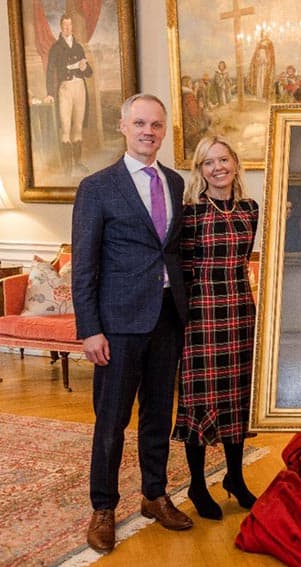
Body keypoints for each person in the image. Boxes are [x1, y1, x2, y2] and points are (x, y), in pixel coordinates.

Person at [72, 93, 193, 554]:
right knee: (111, 420)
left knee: (158, 415)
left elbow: (172, 250)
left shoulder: (175, 182)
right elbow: (85, 264)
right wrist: (90, 329)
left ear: (164, 131)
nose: (148, 131)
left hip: (167, 318)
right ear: (123, 127)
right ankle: (103, 508)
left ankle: (154, 495)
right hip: (118, 325)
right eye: (140, 123)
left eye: (156, 124)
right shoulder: (97, 187)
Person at [172, 135, 260, 520]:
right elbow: (181, 269)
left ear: (235, 163)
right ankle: (197, 483)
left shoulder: (250, 209)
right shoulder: (190, 212)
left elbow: (247, 258)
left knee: (237, 398)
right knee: (200, 398)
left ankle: (235, 478)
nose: (217, 168)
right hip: (201, 315)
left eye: (223, 160)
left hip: (240, 311)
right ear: (200, 170)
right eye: (209, 162)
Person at [44, 13, 93, 176]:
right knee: (65, 128)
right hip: (65, 90)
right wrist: (50, 93)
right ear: (61, 27)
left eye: (70, 25)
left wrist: (84, 67)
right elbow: (50, 71)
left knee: (78, 127)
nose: (67, 28)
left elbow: (89, 73)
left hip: (80, 89)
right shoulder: (56, 48)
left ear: (72, 26)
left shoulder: (79, 47)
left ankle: (77, 163)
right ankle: (68, 167)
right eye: (65, 25)